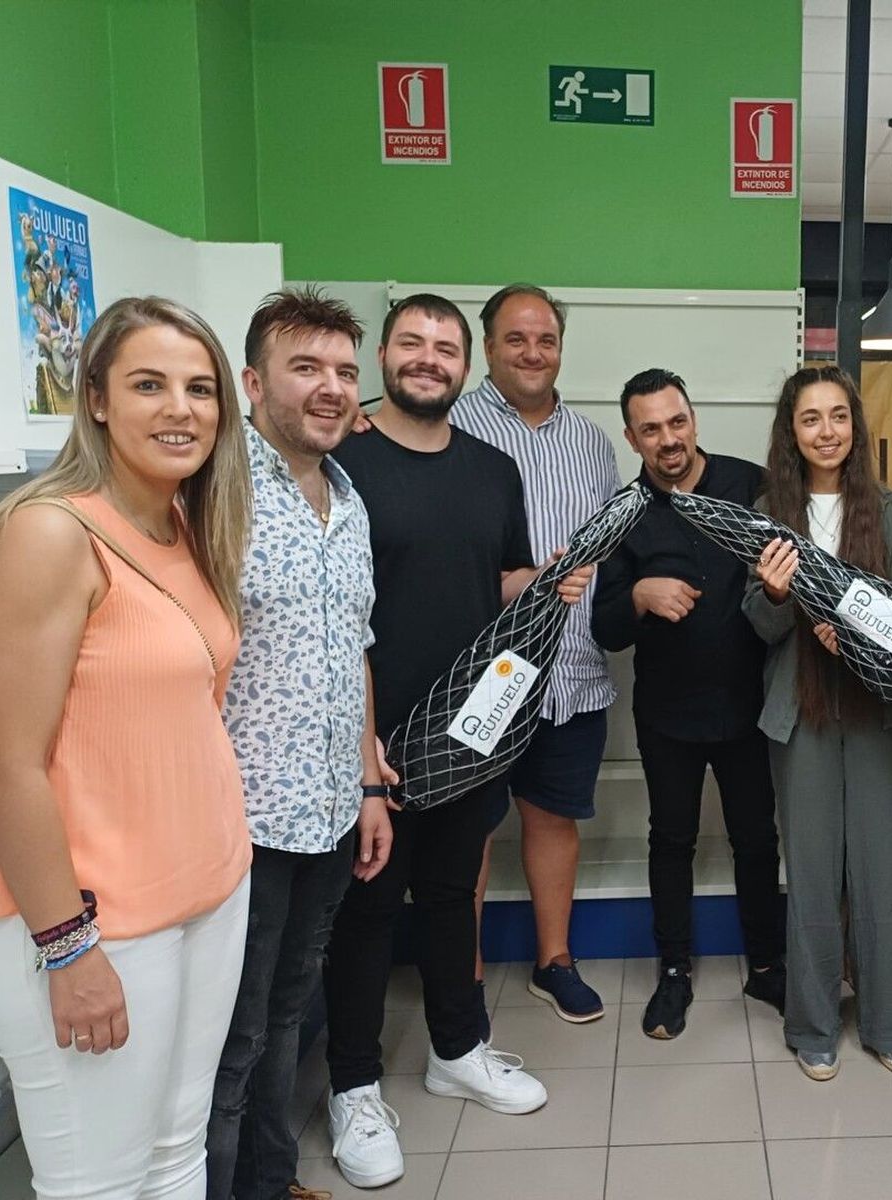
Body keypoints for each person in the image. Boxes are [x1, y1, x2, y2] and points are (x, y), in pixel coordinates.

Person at [0, 296, 253, 1199]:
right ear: (95, 398)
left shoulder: (187, 527)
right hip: (92, 918)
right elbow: (5, 762)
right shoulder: (48, 532)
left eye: (200, 389)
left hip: (205, 891)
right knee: (97, 1185)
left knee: (176, 1155)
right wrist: (66, 947)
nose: (181, 409)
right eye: (149, 385)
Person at [322, 294, 587, 1189]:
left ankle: (457, 1050)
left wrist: (547, 579)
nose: (428, 359)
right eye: (412, 343)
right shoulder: (342, 463)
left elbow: (499, 576)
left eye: (444, 348)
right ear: (384, 357)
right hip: (371, 743)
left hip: (468, 737)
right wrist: (362, 749)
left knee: (448, 896)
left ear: (464, 367)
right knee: (364, 915)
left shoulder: (492, 469)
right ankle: (353, 1087)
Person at [205, 290, 395, 1200]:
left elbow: (354, 646)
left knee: (287, 1013)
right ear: (252, 383)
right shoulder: (213, 491)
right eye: (305, 368)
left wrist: (369, 783)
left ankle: (269, 1182)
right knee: (232, 1040)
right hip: (238, 825)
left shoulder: (348, 500)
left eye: (344, 371)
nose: (330, 387)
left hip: (327, 812)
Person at [744, 364, 892, 1082]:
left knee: (882, 873)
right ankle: (813, 1026)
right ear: (791, 431)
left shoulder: (887, 512)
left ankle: (888, 1025)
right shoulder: (769, 512)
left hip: (877, 713)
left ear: (856, 425)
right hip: (801, 717)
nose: (827, 431)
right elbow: (759, 628)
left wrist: (857, 636)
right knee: (813, 875)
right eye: (811, 418)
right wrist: (776, 596)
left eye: (839, 416)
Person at [592, 368, 786, 1039]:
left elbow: (793, 573)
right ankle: (673, 972)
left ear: (693, 419)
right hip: (667, 713)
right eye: (650, 429)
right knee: (671, 840)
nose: (668, 439)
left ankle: (768, 966)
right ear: (632, 438)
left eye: (677, 422)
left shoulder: (751, 485)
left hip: (750, 705)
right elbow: (604, 628)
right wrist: (638, 595)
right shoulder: (623, 513)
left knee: (757, 839)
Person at [451, 284, 622, 1023]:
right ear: (487, 347)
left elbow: (610, 549)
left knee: (554, 817)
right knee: (469, 830)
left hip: (570, 673)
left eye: (545, 339)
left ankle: (554, 961)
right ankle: (464, 975)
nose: (532, 352)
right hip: (477, 676)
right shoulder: (450, 424)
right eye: (515, 339)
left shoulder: (592, 442)